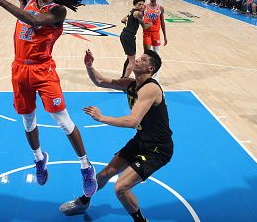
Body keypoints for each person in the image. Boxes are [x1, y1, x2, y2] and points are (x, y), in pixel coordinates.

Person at [0, 0, 97, 197]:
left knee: (62, 120)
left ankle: (85, 167)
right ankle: (39, 158)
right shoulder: (27, 1)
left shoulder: (57, 10)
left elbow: (33, 21)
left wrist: (2, 3)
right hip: (19, 68)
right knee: (27, 121)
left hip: (43, 70)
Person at [59, 49, 172, 222]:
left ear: (150, 68)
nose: (138, 59)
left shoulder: (151, 88)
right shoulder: (131, 84)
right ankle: (83, 202)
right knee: (104, 175)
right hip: (141, 140)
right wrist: (89, 66)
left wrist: (102, 117)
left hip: (157, 149)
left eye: (143, 59)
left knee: (121, 188)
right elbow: (100, 81)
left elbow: (133, 121)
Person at [121, 0, 151, 78]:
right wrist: (151, 24)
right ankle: (124, 80)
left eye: (143, 4)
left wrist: (130, 23)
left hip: (124, 35)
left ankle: (123, 76)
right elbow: (144, 26)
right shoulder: (138, 13)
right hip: (129, 37)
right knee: (132, 61)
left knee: (129, 59)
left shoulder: (131, 11)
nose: (142, 6)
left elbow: (123, 20)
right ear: (135, 5)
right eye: (139, 4)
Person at [142, 0, 167, 79]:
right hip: (147, 33)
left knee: (156, 55)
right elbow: (140, 20)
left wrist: (165, 36)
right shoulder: (144, 7)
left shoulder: (160, 8)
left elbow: (162, 22)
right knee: (147, 54)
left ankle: (156, 76)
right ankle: (146, 74)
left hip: (156, 33)